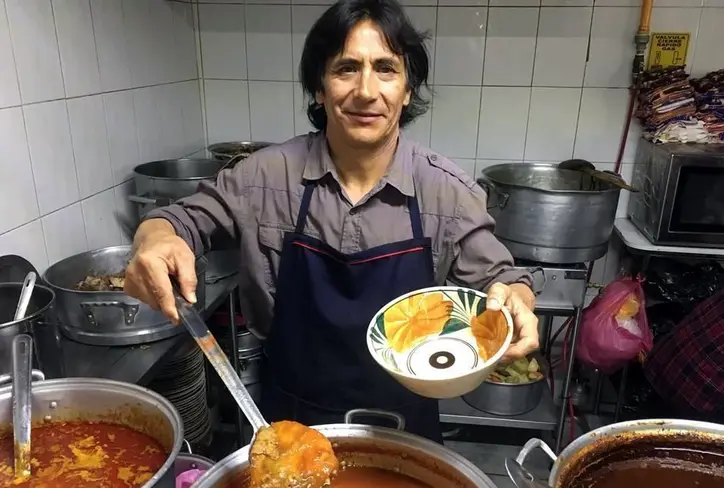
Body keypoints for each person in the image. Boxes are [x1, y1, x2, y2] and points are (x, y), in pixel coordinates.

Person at [125, 0, 539, 444]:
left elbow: (505, 279)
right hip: (289, 425)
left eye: (385, 68)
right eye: (346, 68)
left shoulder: (447, 192)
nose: (366, 90)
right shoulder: (264, 177)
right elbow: (175, 220)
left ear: (408, 89)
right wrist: (153, 241)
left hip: (405, 431)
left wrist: (516, 302)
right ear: (319, 88)